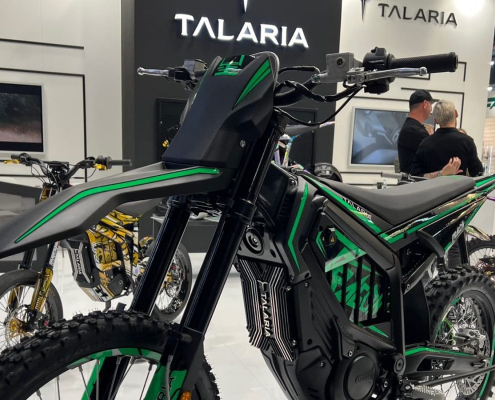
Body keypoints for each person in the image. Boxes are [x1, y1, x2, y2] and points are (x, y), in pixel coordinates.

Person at [411, 100, 483, 178]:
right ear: (456, 113)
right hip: (460, 186)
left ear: (435, 120)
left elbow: (415, 176)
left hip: (433, 186)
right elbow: (478, 174)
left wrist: (441, 174)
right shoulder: (467, 142)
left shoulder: (425, 144)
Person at [397, 90, 437, 174]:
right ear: (425, 104)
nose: (431, 109)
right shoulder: (415, 131)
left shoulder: (411, 127)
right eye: (431, 105)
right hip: (415, 181)